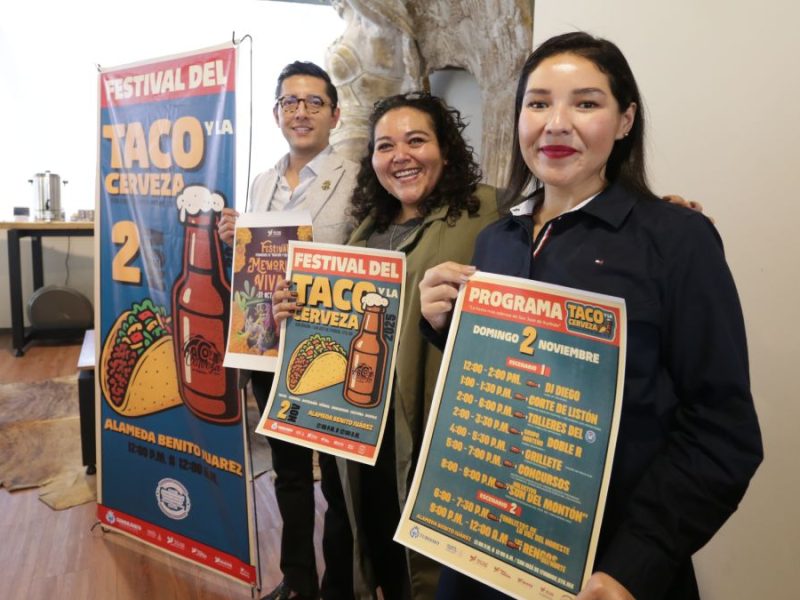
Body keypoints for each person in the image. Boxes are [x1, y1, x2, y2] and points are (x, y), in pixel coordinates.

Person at [418, 32, 763, 600]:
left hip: (604, 570)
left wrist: (633, 565)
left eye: (585, 102)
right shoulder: (495, 240)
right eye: (537, 103)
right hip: (483, 547)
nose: (556, 123)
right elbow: (506, 377)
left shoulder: (677, 241)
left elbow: (722, 432)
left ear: (625, 120)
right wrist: (441, 324)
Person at [272, 92, 501, 599]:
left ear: (446, 148)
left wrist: (654, 211)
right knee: (374, 547)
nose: (400, 155)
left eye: (416, 140)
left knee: (427, 571)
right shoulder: (367, 231)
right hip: (365, 433)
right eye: (384, 146)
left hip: (433, 430)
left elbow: (561, 218)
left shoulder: (490, 209)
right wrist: (296, 306)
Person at [218, 61, 357, 600]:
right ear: (277, 113)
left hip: (329, 345)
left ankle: (341, 586)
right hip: (265, 345)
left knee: (341, 482)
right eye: (290, 102)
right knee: (290, 473)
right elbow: (254, 264)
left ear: (334, 114)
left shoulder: (356, 177)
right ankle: (297, 580)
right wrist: (237, 234)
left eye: (313, 102)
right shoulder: (261, 181)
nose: (301, 111)